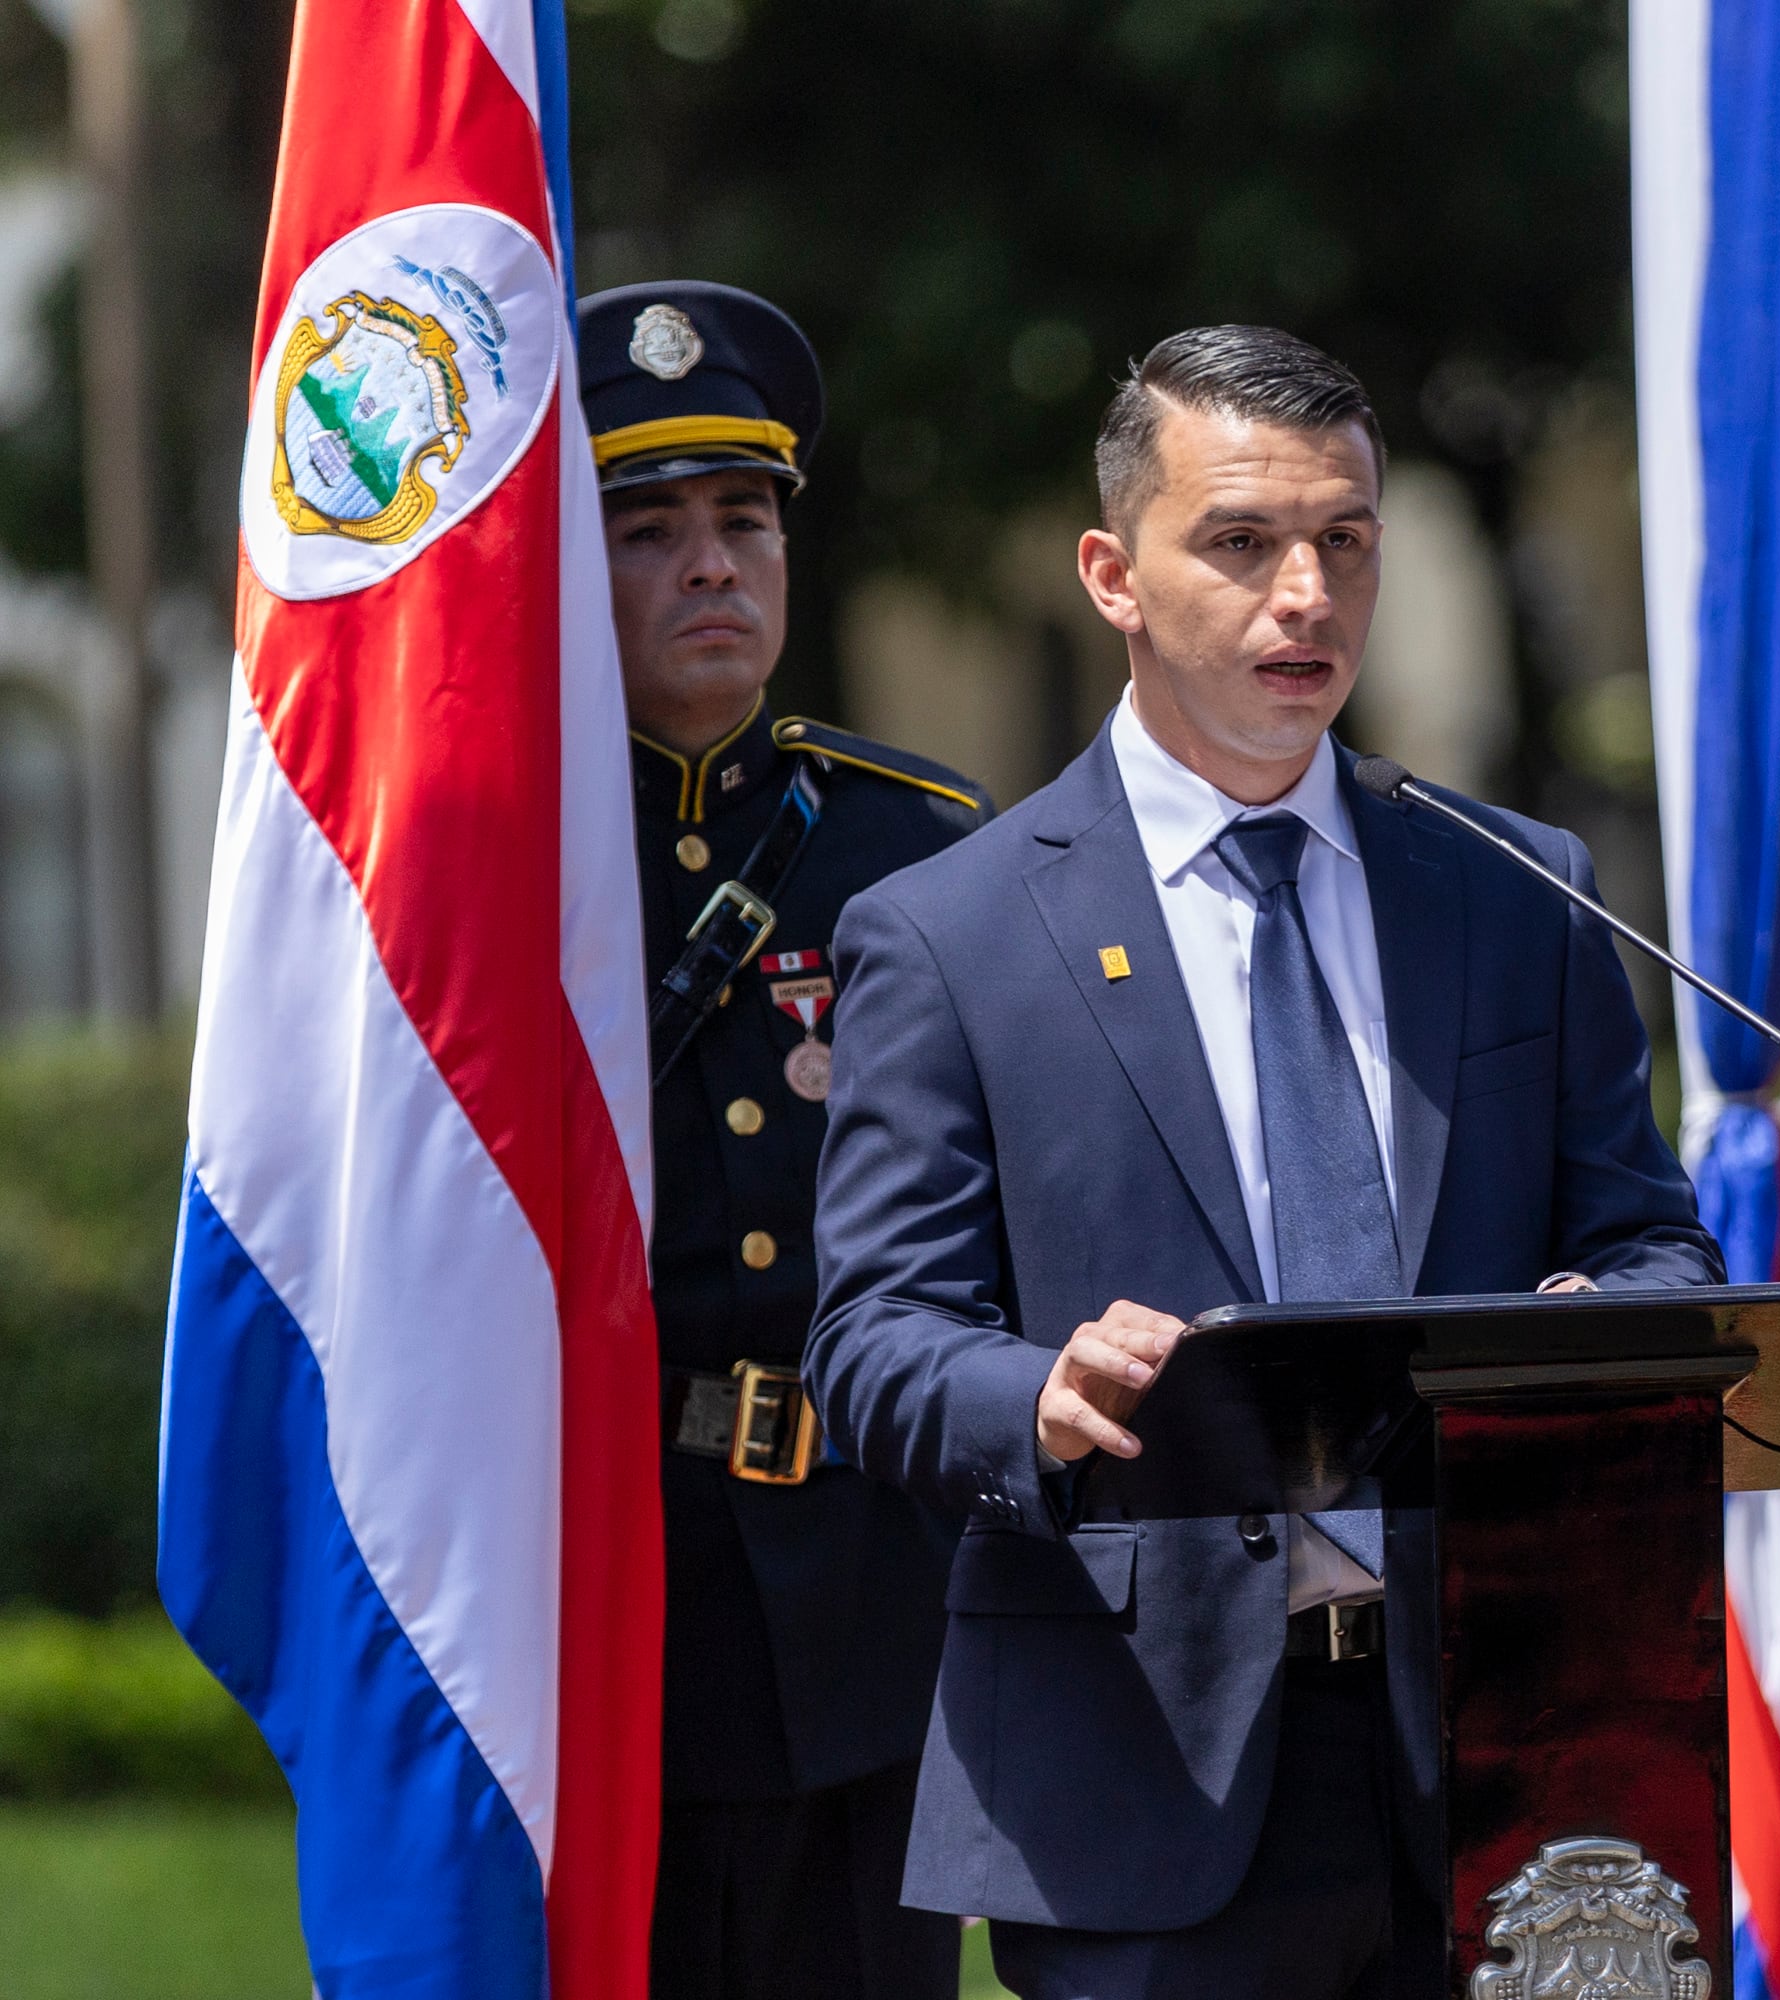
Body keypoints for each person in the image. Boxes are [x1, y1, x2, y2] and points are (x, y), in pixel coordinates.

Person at [805, 324, 1723, 2000]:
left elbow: (1657, 1241)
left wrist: (1599, 1325)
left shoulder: (1517, 892)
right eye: (1241, 543)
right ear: (1115, 573)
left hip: (1515, 1736)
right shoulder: (952, 933)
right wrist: (1034, 1394)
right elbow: (871, 1337)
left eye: (1344, 541)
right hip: (1138, 1758)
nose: (1304, 593)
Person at [582, 279, 994, 2000]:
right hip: (607, 1604)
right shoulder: (496, 872)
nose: (712, 566)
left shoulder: (921, 852)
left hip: (868, 1603)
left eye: (744, 521)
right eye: (650, 529)